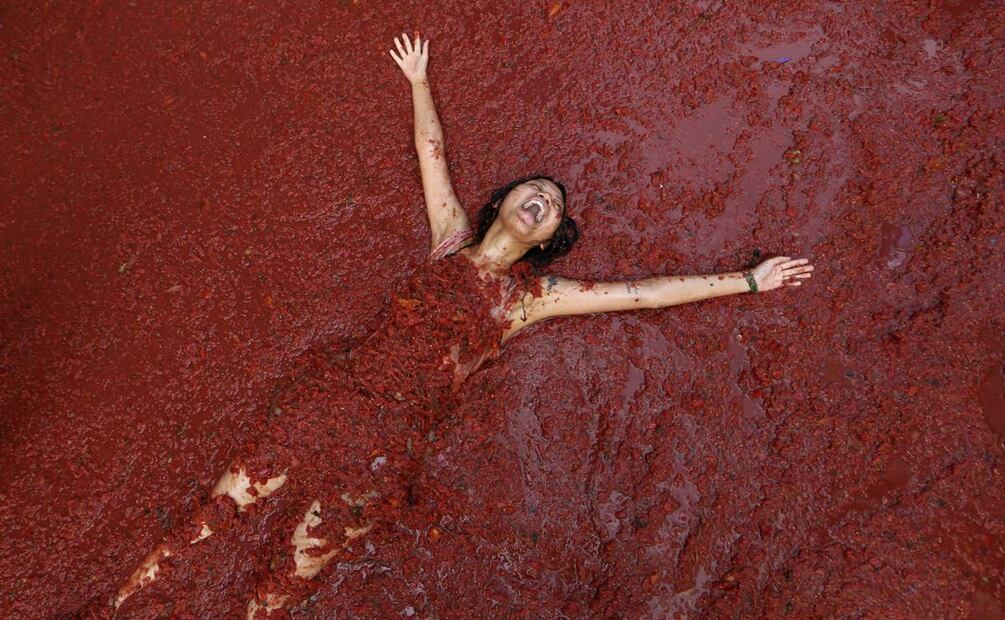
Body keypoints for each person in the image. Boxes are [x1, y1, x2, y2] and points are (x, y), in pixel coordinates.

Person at [110, 33, 814, 617]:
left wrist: (748, 280)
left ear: (548, 238)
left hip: (386, 446)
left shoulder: (531, 298)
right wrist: (418, 81)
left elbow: (641, 295)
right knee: (206, 522)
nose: (541, 200)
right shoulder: (448, 240)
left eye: (551, 205)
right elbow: (431, 156)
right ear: (503, 203)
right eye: (533, 191)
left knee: (282, 586)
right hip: (330, 401)